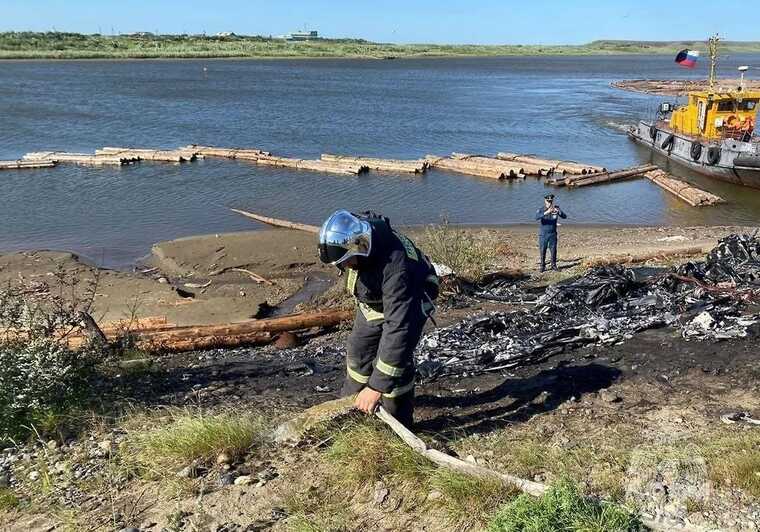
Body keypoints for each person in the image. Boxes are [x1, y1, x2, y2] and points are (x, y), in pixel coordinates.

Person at [318, 210, 438, 427]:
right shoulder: (361, 232)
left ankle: (398, 420)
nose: (344, 267)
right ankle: (351, 405)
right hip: (374, 302)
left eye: (346, 262)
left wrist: (376, 388)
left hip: (412, 301)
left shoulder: (396, 269)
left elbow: (399, 330)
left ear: (358, 248)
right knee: (358, 351)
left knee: (395, 361)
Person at [535, 194, 567, 272]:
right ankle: (542, 266)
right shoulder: (541, 209)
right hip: (543, 234)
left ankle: (553, 265)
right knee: (543, 250)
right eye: (548, 201)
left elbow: (564, 216)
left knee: (553, 250)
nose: (549, 202)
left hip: (553, 233)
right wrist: (546, 212)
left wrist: (559, 212)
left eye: (551, 201)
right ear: (545, 201)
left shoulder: (556, 208)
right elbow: (536, 217)